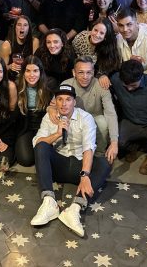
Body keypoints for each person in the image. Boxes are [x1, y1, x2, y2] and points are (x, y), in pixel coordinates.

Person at [30, 84, 111, 237]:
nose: (64, 104)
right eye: (60, 99)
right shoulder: (49, 117)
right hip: (58, 165)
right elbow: (36, 142)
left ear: (74, 102)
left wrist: (85, 175)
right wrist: (57, 134)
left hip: (78, 167)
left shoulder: (85, 118)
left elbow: (89, 147)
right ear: (55, 101)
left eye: (68, 99)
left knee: (104, 163)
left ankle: (74, 209)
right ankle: (49, 203)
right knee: (41, 146)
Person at [61, 56, 119, 164]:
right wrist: (50, 109)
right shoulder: (66, 85)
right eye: (81, 72)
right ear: (74, 73)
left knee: (102, 121)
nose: (85, 77)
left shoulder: (101, 85)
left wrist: (114, 142)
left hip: (95, 121)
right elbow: (54, 106)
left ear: (93, 72)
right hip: (74, 122)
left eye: (89, 72)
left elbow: (110, 113)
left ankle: (99, 154)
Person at [15, 56, 52, 166]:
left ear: (40, 72)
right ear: (23, 72)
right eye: (28, 71)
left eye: (35, 71)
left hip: (43, 126)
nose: (32, 75)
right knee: (25, 160)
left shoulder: (49, 86)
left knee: (45, 157)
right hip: (25, 127)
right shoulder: (16, 86)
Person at [114, 8, 147, 76]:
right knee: (114, 77)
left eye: (129, 24)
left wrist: (139, 77)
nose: (125, 29)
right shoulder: (118, 38)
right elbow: (118, 66)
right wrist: (129, 62)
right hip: (127, 77)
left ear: (136, 22)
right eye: (121, 25)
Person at [72, 18, 121, 89]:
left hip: (97, 74)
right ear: (92, 28)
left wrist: (101, 75)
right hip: (80, 70)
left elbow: (108, 66)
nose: (97, 35)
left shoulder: (108, 46)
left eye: (102, 33)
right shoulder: (80, 38)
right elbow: (73, 57)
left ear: (105, 36)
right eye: (95, 30)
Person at [0, 15, 39, 81]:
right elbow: (1, 67)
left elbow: (36, 63)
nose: (22, 28)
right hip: (12, 77)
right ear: (15, 28)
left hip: (29, 75)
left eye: (25, 25)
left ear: (29, 28)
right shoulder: (7, 45)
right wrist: (9, 66)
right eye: (19, 25)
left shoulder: (34, 42)